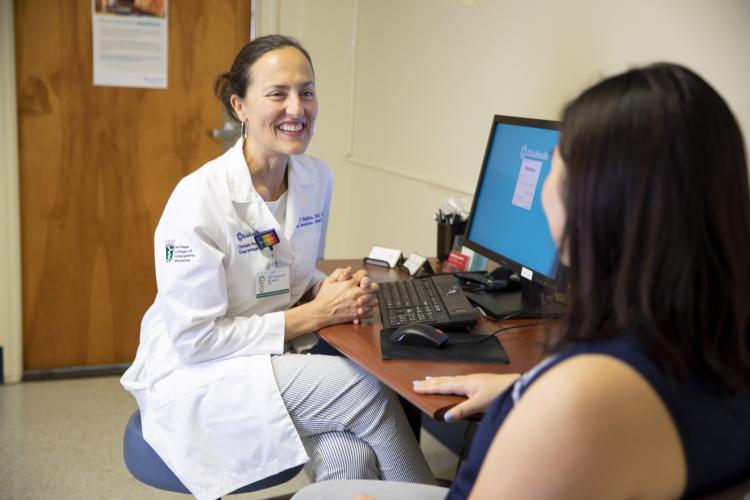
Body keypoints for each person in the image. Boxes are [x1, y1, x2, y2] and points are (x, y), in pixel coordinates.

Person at [292, 63, 750, 500]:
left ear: (599, 203)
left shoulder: (574, 400)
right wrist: (522, 387)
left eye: (560, 163)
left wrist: (542, 397)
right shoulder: (718, 353)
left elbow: (583, 409)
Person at [121, 34, 435, 500]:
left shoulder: (315, 177)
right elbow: (196, 339)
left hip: (270, 356)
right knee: (367, 391)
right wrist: (316, 313)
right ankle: (433, 494)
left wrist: (331, 287)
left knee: (350, 455)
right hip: (199, 372)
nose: (297, 108)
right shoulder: (198, 200)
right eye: (277, 94)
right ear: (240, 106)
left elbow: (290, 272)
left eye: (307, 92)